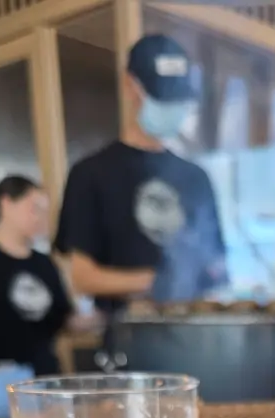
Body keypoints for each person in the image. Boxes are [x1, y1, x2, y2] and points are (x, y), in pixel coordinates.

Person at [55, 33, 227, 310]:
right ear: (130, 85)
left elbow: (215, 269)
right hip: (125, 332)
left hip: (191, 331)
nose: (171, 108)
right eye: (162, 97)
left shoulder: (197, 178)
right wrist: (156, 282)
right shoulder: (90, 174)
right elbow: (81, 277)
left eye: (178, 99)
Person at [0, 176, 72, 376]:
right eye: (35, 208)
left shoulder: (45, 264)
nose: (40, 218)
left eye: (45, 211)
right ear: (6, 204)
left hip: (43, 375)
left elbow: (62, 318)